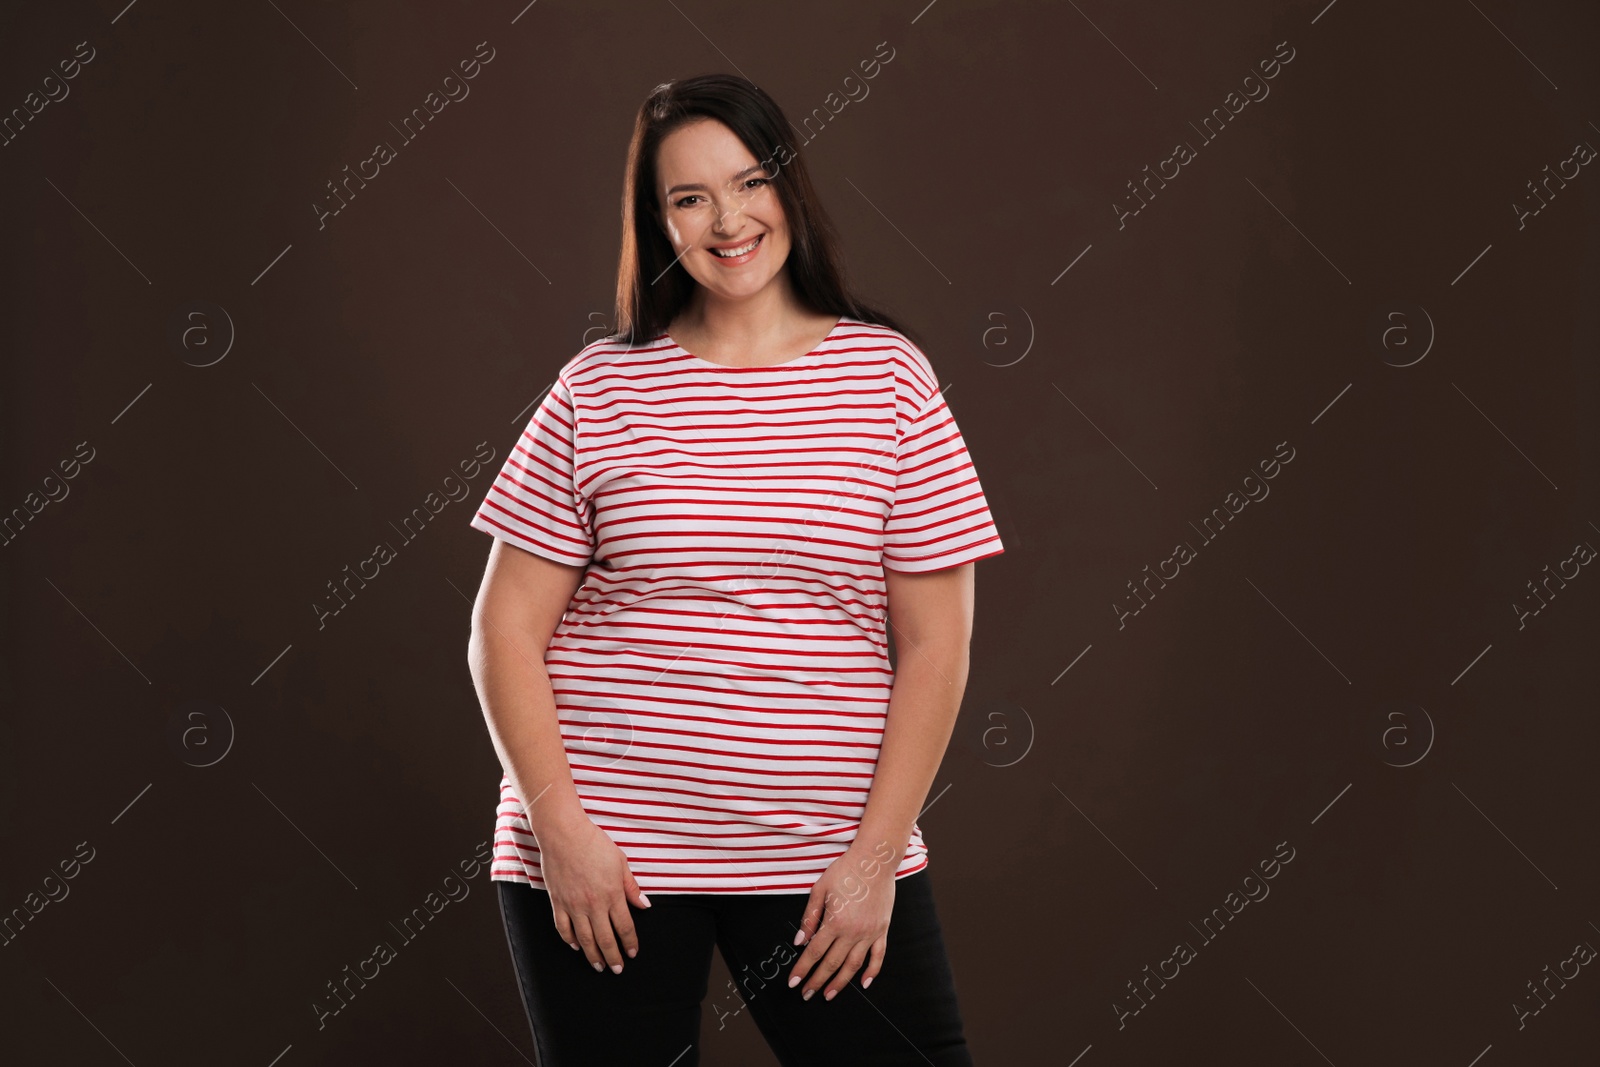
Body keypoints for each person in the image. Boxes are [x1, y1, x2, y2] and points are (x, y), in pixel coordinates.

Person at [466, 72, 1004, 1066]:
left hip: (824, 856)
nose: (728, 220)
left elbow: (938, 644)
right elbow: (503, 629)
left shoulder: (891, 379)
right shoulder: (599, 386)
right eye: (688, 197)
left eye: (750, 181)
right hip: (606, 854)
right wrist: (559, 831)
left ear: (791, 188)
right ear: (655, 220)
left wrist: (874, 859)